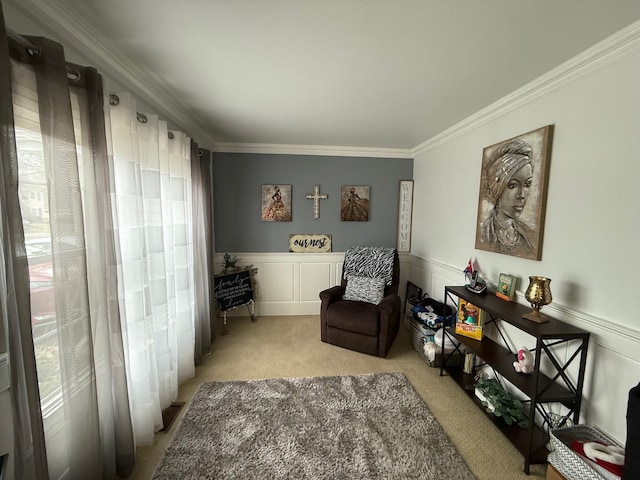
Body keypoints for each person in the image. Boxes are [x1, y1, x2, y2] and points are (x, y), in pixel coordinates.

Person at [477, 139, 536, 258]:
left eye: (527, 185)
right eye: (512, 185)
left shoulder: (529, 234)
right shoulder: (483, 232)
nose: (521, 195)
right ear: (498, 188)